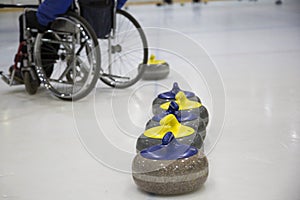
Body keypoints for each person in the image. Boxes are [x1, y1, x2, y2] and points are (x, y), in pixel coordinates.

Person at [9, 0, 73, 83]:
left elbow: (50, 11)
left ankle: (28, 67)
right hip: (74, 15)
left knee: (25, 18)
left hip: (55, 14)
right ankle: (45, 69)